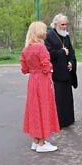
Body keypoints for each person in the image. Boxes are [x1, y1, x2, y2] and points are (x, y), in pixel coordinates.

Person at [20, 21, 59, 152]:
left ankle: (36, 141)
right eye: (44, 29)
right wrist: (50, 70)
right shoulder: (41, 47)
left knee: (34, 109)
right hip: (42, 81)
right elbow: (46, 66)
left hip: (32, 81)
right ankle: (42, 143)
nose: (46, 32)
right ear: (39, 32)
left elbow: (24, 69)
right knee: (43, 107)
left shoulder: (26, 49)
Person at [45, 14, 77, 128]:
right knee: (58, 98)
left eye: (66, 24)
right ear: (55, 24)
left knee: (67, 97)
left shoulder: (66, 36)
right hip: (56, 74)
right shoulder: (49, 36)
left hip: (66, 73)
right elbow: (48, 53)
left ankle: (68, 119)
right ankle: (57, 121)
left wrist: (71, 63)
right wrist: (62, 52)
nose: (64, 27)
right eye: (62, 25)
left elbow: (72, 52)